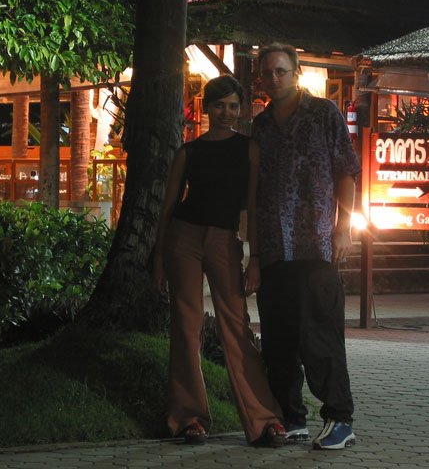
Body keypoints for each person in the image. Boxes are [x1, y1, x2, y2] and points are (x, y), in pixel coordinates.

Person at [152, 74, 286, 447]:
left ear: (240, 109)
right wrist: (159, 259)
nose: (226, 113)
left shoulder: (250, 149)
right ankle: (188, 419)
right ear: (206, 108)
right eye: (218, 106)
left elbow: (255, 208)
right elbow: (167, 210)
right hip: (184, 237)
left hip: (225, 240)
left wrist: (254, 258)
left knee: (236, 327)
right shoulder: (189, 152)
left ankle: (263, 421)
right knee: (186, 324)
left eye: (232, 106)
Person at [247, 42, 360, 450]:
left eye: (281, 71)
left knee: (321, 334)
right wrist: (254, 255)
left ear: (296, 72)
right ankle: (291, 417)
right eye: (267, 73)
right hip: (275, 248)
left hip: (315, 244)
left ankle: (339, 418)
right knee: (278, 338)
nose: (273, 79)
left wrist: (344, 226)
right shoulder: (260, 127)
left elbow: (346, 172)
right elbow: (255, 194)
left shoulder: (323, 114)